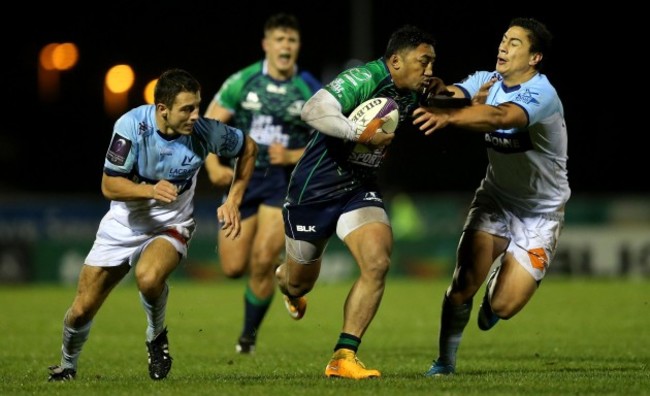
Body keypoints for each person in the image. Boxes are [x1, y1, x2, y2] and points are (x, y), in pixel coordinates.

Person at [47, 68, 258, 382]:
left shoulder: (205, 132)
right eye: (187, 109)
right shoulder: (132, 126)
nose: (195, 115)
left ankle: (156, 336)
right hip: (124, 223)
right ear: (163, 110)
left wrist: (233, 199)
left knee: (148, 278)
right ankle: (67, 365)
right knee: (81, 309)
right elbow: (109, 185)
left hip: (172, 222)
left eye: (198, 106)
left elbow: (249, 149)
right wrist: (149, 189)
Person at [274, 25, 437, 379]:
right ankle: (285, 282)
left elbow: (444, 98)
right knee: (298, 282)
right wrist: (358, 132)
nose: (429, 71)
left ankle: (343, 355)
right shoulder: (365, 77)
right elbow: (312, 109)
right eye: (424, 63)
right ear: (395, 60)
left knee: (377, 262)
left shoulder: (412, 90)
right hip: (313, 190)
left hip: (358, 187)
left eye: (432, 64)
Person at [412, 17, 569, 376]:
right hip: (496, 198)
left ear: (534, 58)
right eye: (503, 39)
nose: (504, 46)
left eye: (515, 43)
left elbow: (502, 116)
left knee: (503, 305)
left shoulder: (542, 94)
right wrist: (433, 92)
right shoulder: (488, 80)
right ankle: (445, 362)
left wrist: (451, 119)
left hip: (540, 212)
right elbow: (452, 95)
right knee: (463, 282)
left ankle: (497, 294)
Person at [203, 13, 321, 354]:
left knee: (262, 260)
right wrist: (212, 166)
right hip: (242, 179)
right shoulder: (243, 81)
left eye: (292, 40)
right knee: (232, 268)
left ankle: (247, 338)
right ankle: (287, 278)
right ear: (266, 45)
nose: (286, 46)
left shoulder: (309, 87)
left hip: (280, 184)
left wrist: (292, 155)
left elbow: (330, 140)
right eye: (280, 40)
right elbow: (207, 125)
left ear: (298, 47)